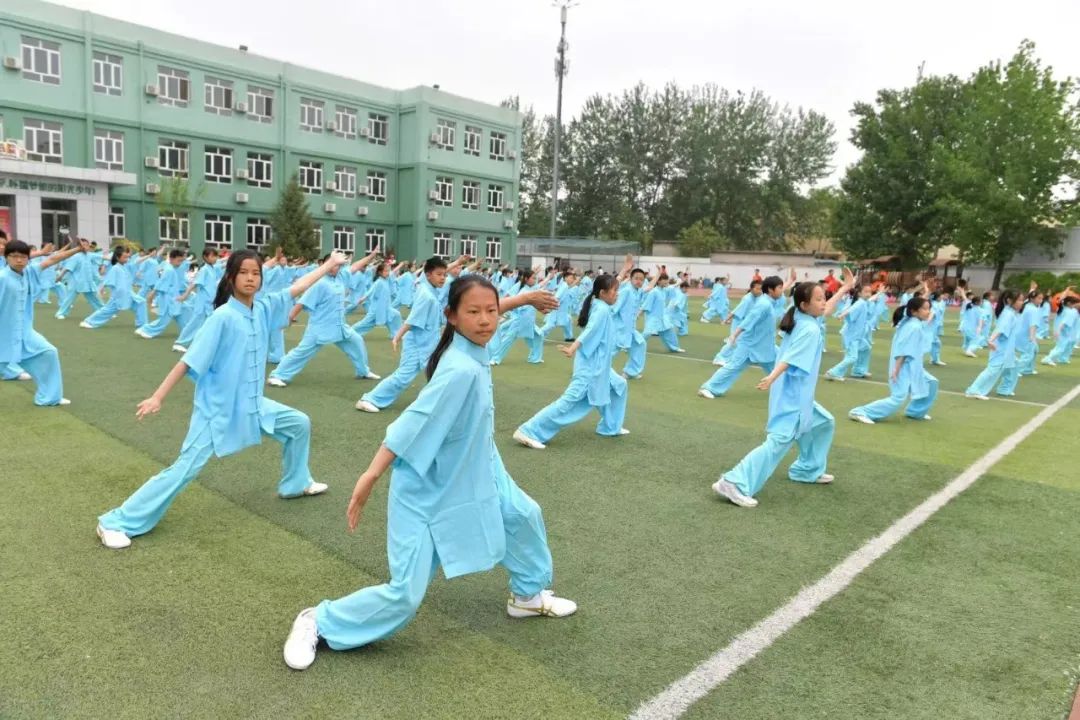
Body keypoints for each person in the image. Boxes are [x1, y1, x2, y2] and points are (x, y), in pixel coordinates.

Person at [283, 275, 576, 671]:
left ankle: (527, 596)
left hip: (479, 466)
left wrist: (521, 300)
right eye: (474, 312)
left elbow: (482, 312)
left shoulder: (470, 342)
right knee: (405, 595)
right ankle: (319, 620)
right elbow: (410, 424)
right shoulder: (459, 370)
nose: (486, 320)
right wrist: (369, 477)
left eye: (491, 311)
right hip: (426, 489)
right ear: (452, 317)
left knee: (523, 514)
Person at [95, 251, 350, 550]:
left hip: (253, 405)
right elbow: (188, 362)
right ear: (231, 277)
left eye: (256, 273)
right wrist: (157, 397)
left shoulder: (264, 307)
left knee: (298, 424)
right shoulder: (223, 318)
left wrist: (330, 265)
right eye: (244, 272)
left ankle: (295, 484)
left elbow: (297, 288)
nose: (251, 278)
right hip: (217, 411)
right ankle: (115, 521)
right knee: (184, 469)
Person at [712, 270, 854, 508]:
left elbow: (827, 309)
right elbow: (790, 359)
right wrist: (771, 377)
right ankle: (733, 482)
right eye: (819, 298)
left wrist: (844, 287)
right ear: (804, 304)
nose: (823, 302)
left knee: (823, 422)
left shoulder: (804, 316)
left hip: (796, 392)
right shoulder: (808, 328)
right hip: (793, 395)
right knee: (780, 441)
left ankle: (806, 470)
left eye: (823, 297)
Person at [514, 274, 629, 450]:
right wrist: (573, 347)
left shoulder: (600, 303)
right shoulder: (602, 309)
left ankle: (610, 426)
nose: (617, 294)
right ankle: (529, 431)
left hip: (600, 365)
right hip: (591, 367)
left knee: (618, 386)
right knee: (570, 401)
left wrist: (624, 271)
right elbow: (590, 330)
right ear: (603, 292)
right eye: (615, 291)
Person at [267, 255, 381, 388]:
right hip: (320, 328)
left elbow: (355, 266)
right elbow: (301, 303)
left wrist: (372, 255)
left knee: (357, 341)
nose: (333, 268)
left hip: (340, 326)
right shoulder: (320, 283)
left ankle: (363, 371)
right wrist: (288, 319)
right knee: (301, 352)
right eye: (331, 264)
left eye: (336, 265)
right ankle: (277, 375)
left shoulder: (341, 277)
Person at [1, 239, 89, 406]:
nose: (19, 260)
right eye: (14, 256)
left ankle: (49, 397)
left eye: (23, 257)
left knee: (49, 352)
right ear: (6, 258)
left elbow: (52, 259)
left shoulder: (28, 272)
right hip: (3, 334)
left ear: (28, 258)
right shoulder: (2, 278)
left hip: (24, 332)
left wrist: (77, 249)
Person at [848, 297, 938, 424]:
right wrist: (896, 370)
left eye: (929, 308)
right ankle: (860, 411)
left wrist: (930, 316)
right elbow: (904, 351)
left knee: (932, 382)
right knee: (899, 398)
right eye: (924, 309)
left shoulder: (911, 322)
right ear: (914, 311)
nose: (928, 311)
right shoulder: (913, 326)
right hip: (903, 366)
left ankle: (915, 412)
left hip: (912, 366)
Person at [698, 275, 787, 399]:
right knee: (733, 366)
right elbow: (749, 319)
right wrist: (735, 334)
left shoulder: (769, 302)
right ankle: (708, 388)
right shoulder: (764, 304)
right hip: (750, 345)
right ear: (771, 290)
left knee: (778, 367)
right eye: (780, 288)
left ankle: (787, 391)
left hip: (765, 345)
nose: (782, 290)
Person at [965, 290, 1025, 400]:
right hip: (1000, 348)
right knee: (992, 369)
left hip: (1006, 348)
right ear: (1010, 300)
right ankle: (973, 390)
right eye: (1020, 300)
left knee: (1013, 365)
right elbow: (1000, 329)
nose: (1022, 302)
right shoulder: (1008, 314)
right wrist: (991, 340)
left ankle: (1004, 389)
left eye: (1022, 300)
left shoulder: (1010, 312)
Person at [79, 245, 148, 329]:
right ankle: (89, 321)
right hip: (118, 296)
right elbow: (108, 280)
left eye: (127, 257)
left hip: (129, 293)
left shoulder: (125, 266)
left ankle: (142, 325)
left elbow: (135, 262)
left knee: (141, 303)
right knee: (107, 310)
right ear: (118, 258)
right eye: (124, 257)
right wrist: (101, 289)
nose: (127, 259)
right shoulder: (115, 268)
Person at [490, 269, 545, 365]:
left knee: (539, 336)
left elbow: (541, 285)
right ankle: (495, 358)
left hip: (529, 322)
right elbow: (514, 304)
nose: (535, 280)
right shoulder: (523, 291)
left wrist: (549, 277)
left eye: (535, 278)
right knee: (508, 339)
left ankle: (535, 358)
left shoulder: (532, 289)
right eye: (533, 278)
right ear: (526, 279)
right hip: (520, 321)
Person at [824, 284, 878, 381]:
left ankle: (858, 370)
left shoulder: (865, 302)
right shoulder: (860, 303)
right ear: (860, 293)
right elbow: (851, 309)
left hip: (859, 337)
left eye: (870, 292)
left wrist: (880, 292)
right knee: (852, 357)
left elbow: (871, 299)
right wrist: (842, 315)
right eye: (866, 291)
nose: (868, 294)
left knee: (866, 348)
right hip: (852, 336)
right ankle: (832, 372)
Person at [170, 248, 220, 353]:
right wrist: (185, 295)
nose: (215, 258)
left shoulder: (212, 269)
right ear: (206, 257)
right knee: (194, 323)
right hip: (202, 302)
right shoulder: (204, 270)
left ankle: (202, 344)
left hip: (209, 302)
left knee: (207, 324)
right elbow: (194, 284)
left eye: (216, 256)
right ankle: (180, 343)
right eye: (212, 256)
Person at [135, 249, 189, 340]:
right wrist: (151, 295)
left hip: (174, 297)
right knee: (165, 318)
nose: (180, 263)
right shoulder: (169, 270)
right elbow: (160, 284)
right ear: (171, 259)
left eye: (181, 261)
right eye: (178, 260)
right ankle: (146, 330)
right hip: (169, 298)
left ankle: (188, 331)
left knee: (182, 314)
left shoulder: (169, 267)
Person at [351, 261, 404, 338]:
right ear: (380, 272)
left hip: (386, 308)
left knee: (396, 315)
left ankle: (395, 334)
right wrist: (363, 298)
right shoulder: (379, 282)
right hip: (376, 309)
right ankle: (350, 332)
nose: (388, 273)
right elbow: (371, 290)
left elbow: (393, 273)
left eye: (388, 271)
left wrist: (399, 265)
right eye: (385, 271)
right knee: (365, 323)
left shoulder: (386, 280)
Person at [714, 281, 762, 366]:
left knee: (748, 341)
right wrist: (726, 320)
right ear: (751, 289)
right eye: (757, 289)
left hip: (748, 324)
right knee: (734, 341)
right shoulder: (747, 299)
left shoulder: (758, 298)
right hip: (740, 323)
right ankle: (719, 358)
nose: (759, 291)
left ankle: (747, 357)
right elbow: (736, 311)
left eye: (761, 289)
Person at [53, 238, 103, 320]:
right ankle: (60, 313)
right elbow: (67, 268)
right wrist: (60, 276)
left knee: (94, 297)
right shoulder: (76, 256)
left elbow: (102, 256)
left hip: (87, 282)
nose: (87, 247)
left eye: (88, 245)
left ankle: (103, 312)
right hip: (75, 282)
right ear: (79, 247)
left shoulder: (89, 255)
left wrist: (114, 257)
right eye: (84, 245)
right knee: (69, 299)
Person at [641, 273, 685, 353]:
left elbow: (672, 287)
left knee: (669, 332)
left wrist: (678, 282)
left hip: (663, 317)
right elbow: (646, 304)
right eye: (664, 280)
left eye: (667, 279)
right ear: (658, 281)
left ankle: (675, 348)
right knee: (647, 333)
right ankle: (633, 346)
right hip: (653, 317)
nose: (666, 281)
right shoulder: (653, 292)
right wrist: (639, 313)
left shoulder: (664, 290)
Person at [539, 270, 578, 342]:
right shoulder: (564, 286)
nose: (572, 279)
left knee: (568, 320)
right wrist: (552, 306)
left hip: (561, 310)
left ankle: (569, 337)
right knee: (550, 325)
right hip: (557, 309)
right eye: (571, 278)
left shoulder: (565, 285)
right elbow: (557, 297)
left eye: (573, 278)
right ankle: (537, 334)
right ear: (566, 278)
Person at [1042, 295, 1078, 366]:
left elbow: (1061, 300)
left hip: (1062, 332)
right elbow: (1063, 323)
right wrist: (1058, 331)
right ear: (1069, 303)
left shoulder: (1064, 309)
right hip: (1063, 333)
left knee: (1059, 347)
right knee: (1060, 348)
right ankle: (1048, 359)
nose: (1074, 305)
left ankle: (1050, 358)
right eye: (1074, 303)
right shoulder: (1069, 312)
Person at [1015, 290, 1043, 377]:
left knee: (1034, 350)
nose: (1041, 300)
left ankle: (1028, 369)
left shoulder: (1028, 306)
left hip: (1022, 332)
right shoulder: (1033, 309)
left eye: (1042, 298)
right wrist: (1032, 336)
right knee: (1028, 353)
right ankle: (1016, 370)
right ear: (1032, 299)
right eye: (1039, 298)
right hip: (1026, 333)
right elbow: (1033, 324)